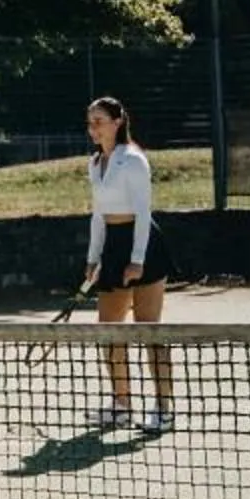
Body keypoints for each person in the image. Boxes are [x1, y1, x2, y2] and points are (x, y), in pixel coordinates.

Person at [78, 96, 174, 432]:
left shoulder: (133, 160)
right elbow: (98, 216)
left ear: (118, 121)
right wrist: (93, 258)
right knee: (109, 331)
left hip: (143, 246)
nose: (93, 128)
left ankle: (163, 409)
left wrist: (137, 260)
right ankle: (121, 404)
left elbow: (144, 213)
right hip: (112, 248)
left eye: (99, 121)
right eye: (90, 122)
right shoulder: (95, 164)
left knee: (149, 332)